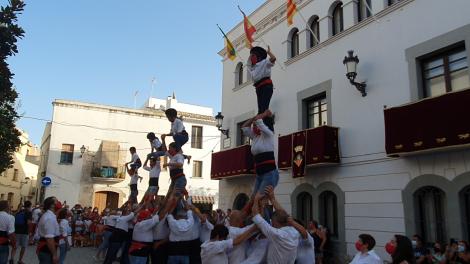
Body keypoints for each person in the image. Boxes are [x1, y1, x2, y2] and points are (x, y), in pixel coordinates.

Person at [241, 109, 278, 216]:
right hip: (260, 174)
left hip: (270, 174)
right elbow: (243, 127)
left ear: (263, 126)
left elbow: (258, 120)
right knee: (254, 199)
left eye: (256, 126)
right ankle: (254, 222)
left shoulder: (268, 134)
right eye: (254, 126)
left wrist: (265, 114)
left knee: (259, 200)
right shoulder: (255, 137)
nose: (254, 127)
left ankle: (263, 224)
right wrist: (253, 119)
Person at [251, 186, 299, 264]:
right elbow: (284, 215)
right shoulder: (295, 231)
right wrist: (272, 199)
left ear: (274, 222)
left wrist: (256, 200)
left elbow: (255, 215)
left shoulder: (276, 234)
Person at [248, 45, 277, 114]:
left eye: (253, 56)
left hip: (266, 86)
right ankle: (261, 120)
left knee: (264, 108)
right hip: (258, 88)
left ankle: (267, 119)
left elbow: (273, 58)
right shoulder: (253, 68)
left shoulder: (264, 62)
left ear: (258, 56)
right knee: (260, 110)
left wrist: (269, 52)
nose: (251, 58)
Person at [37, 197, 61, 264]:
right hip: (47, 250)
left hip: (48, 249)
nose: (58, 202)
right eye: (56, 201)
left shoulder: (51, 216)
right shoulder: (49, 218)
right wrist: (54, 255)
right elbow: (49, 238)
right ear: (52, 205)